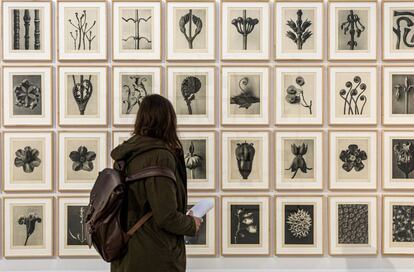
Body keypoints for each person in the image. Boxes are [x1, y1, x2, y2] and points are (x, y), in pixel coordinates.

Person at [110, 94, 202, 272]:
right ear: (168, 121)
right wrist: (191, 223)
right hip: (154, 256)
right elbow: (165, 215)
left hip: (125, 253)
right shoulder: (159, 156)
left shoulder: (127, 154)